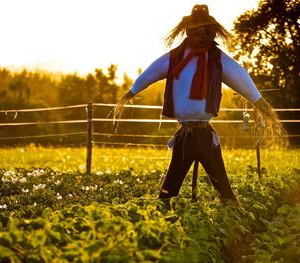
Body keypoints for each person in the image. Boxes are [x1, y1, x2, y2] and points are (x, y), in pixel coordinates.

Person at [115, 4, 284, 204]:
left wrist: (260, 103)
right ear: (188, 32)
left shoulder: (217, 59)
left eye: (207, 32)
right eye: (197, 31)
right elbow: (152, 72)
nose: (202, 36)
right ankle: (163, 207)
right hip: (184, 136)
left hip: (205, 134)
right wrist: (132, 91)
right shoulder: (175, 58)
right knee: (171, 184)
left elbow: (240, 77)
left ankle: (230, 207)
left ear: (213, 33)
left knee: (222, 184)